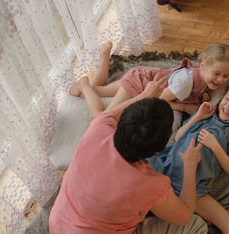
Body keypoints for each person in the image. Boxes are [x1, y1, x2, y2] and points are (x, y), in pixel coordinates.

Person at [49, 73, 208, 233]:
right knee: (196, 225)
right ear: (158, 149)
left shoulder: (98, 128)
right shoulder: (152, 185)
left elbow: (110, 114)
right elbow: (184, 216)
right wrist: (189, 166)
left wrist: (145, 95)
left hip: (58, 225)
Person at [148, 79, 229, 234]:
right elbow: (178, 137)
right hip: (165, 169)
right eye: (227, 99)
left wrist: (214, 145)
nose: (228, 105)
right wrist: (197, 116)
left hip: (192, 188)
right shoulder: (205, 114)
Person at [69, 42, 229, 115]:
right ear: (201, 64)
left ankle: (104, 56)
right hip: (140, 84)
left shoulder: (204, 79)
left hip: (145, 76)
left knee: (97, 90)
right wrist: (184, 107)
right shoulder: (185, 83)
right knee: (103, 117)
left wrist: (202, 95)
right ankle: (84, 84)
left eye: (226, 75)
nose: (221, 80)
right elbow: (157, 101)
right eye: (217, 74)